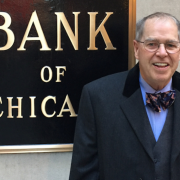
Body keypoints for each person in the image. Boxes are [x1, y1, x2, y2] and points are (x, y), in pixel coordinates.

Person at [69, 12, 180, 180]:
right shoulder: (98, 97)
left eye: (171, 45)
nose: (162, 53)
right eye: (152, 44)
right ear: (136, 49)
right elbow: (84, 175)